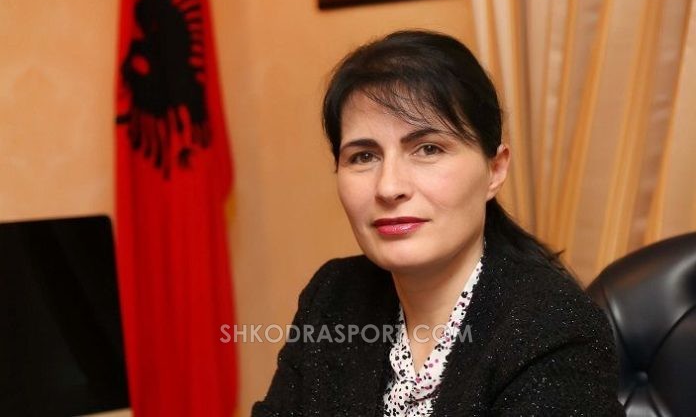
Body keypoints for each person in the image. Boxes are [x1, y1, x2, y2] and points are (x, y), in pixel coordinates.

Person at [252, 30, 624, 416]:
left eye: (428, 149)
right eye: (363, 156)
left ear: (495, 170)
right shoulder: (334, 296)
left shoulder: (552, 325)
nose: (389, 187)